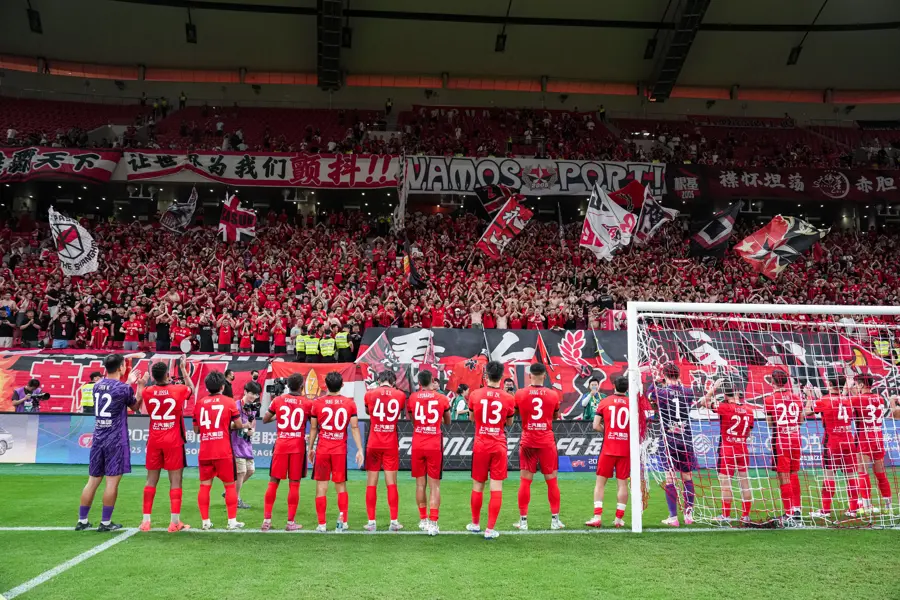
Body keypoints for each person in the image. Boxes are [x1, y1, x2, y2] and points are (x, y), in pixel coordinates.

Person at [76, 354, 144, 531]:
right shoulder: (123, 388)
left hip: (98, 437)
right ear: (121, 367)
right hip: (115, 439)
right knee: (112, 482)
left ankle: (82, 520)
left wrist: (127, 383)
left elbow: (114, 393)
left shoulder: (96, 385)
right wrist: (139, 387)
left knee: (92, 480)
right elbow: (135, 406)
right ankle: (105, 522)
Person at [140, 357, 194, 532]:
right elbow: (191, 389)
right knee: (176, 480)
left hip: (155, 439)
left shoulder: (147, 391)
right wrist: (184, 369)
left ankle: (146, 521)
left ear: (153, 377)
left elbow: (139, 399)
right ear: (168, 374)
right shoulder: (178, 389)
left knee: (151, 480)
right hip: (173, 441)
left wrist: (141, 384)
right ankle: (174, 522)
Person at [192, 370, 249, 530]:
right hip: (223, 451)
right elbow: (238, 425)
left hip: (205, 450)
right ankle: (231, 521)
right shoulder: (229, 402)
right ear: (222, 386)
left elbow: (196, 430)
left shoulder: (200, 403)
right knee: (230, 486)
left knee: (204, 486)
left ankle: (205, 522)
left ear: (207, 387)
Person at [307, 371, 363, 532]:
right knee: (341, 486)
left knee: (321, 486)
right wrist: (359, 449)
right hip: (339, 450)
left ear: (325, 385)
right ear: (342, 385)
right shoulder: (350, 404)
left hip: (323, 449)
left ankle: (322, 524)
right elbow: (354, 428)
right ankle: (343, 521)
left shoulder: (317, 403)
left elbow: (313, 429)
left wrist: (311, 448)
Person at [513, 363, 565, 531]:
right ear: (544, 376)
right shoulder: (553, 395)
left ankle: (523, 521)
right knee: (552, 482)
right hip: (546, 441)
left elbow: (515, 413)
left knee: (525, 481)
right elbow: (555, 416)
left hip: (528, 440)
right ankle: (555, 520)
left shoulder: (520, 394)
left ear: (530, 376)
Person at [467, 360, 516, 539]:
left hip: (481, 444)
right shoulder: (509, 398)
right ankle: (490, 529)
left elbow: (472, 418)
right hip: (498, 445)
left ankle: (475, 523)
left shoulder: (475, 394)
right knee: (496, 487)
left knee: (478, 485)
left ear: (486, 375)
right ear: (502, 377)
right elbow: (509, 422)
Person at [699, 379, 757, 524]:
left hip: (728, 449)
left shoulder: (724, 407)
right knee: (744, 482)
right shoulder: (750, 410)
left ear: (725, 395)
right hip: (742, 448)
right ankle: (746, 515)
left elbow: (703, 402)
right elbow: (748, 432)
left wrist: (713, 389)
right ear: (738, 393)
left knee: (726, 483)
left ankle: (726, 514)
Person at [806, 374, 863, 519]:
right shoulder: (849, 401)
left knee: (829, 476)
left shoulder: (824, 400)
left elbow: (807, 412)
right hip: (849, 442)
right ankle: (853, 509)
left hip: (832, 442)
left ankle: (825, 510)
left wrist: (809, 396)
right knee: (851, 476)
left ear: (829, 383)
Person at [648, 363, 697, 527]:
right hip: (685, 439)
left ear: (665, 375)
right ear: (679, 375)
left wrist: (655, 381)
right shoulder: (688, 391)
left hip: (669, 439)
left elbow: (649, 395)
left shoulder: (660, 392)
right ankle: (689, 515)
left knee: (670, 478)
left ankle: (673, 517)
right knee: (687, 477)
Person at [262, 373, 312, 531]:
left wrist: (279, 417)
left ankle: (266, 521)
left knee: (273, 481)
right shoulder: (307, 403)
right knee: (294, 484)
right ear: (302, 386)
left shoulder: (278, 400)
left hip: (281, 444)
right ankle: (290, 522)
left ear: (288, 385)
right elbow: (314, 423)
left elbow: (265, 419)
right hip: (297, 446)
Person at [406, 370, 450, 535]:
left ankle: (423, 520)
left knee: (419, 484)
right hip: (433, 443)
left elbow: (412, 419)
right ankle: (433, 523)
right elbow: (447, 421)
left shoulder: (413, 398)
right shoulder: (441, 398)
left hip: (418, 442)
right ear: (432, 381)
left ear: (419, 382)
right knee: (434, 486)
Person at [362, 370, 407, 531]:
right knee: (391, 483)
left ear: (379, 380)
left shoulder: (370, 394)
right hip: (390, 443)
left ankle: (371, 522)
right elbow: (400, 413)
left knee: (371, 483)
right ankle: (394, 521)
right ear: (393, 382)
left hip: (374, 441)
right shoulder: (400, 395)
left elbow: (369, 411)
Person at [586, 376, 631, 528]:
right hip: (625, 449)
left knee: (600, 483)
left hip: (608, 448)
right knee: (623, 484)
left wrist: (609, 431)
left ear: (613, 386)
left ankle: (597, 517)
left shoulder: (605, 402)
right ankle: (618, 519)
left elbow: (595, 425)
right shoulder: (632, 403)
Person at [764, 369, 805, 526]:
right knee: (794, 474)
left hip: (781, 439)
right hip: (796, 438)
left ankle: (788, 513)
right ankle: (797, 510)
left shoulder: (770, 400)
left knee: (784, 477)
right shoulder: (796, 398)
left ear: (773, 382)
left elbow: (769, 423)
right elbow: (800, 420)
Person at [850, 373, 892, 513]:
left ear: (861, 384)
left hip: (864, 439)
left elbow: (847, 408)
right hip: (878, 438)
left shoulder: (857, 399)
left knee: (862, 472)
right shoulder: (879, 398)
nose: (855, 387)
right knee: (880, 473)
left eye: (856, 384)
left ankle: (867, 506)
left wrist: (850, 393)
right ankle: (888, 506)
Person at [232, 381, 261, 510]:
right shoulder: (235, 406)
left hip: (246, 444)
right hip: (235, 443)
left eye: (256, 394)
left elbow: (253, 425)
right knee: (241, 472)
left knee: (250, 471)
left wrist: (252, 431)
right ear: (245, 391)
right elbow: (229, 425)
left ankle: (230, 492)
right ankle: (235, 499)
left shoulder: (253, 408)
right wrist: (243, 426)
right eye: (251, 393)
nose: (253, 397)